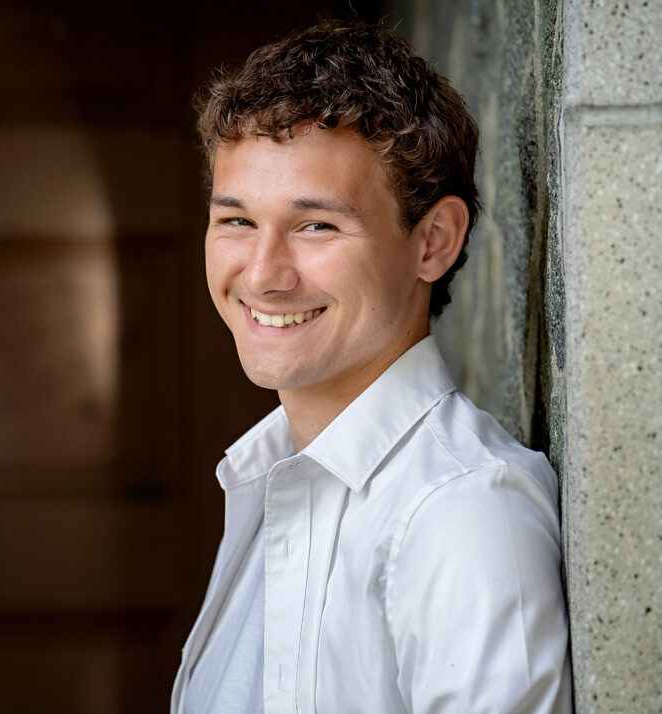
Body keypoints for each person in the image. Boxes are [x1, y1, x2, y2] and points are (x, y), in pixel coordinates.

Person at [171, 18, 572, 714]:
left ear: (434, 242)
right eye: (236, 220)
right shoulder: (266, 479)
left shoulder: (463, 513)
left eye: (315, 225)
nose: (262, 274)